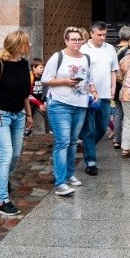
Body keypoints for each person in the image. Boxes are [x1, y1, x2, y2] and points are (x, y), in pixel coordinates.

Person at [0, 31, 34, 218]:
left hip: (19, 115)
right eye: (27, 43)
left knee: (16, 155)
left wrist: (28, 114)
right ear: (18, 46)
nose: (29, 46)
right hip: (1, 116)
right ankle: (2, 200)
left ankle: (3, 179)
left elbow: (25, 92)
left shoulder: (24, 64)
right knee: (6, 155)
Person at [42, 26, 96, 197]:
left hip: (80, 104)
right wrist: (65, 81)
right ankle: (60, 183)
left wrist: (93, 90)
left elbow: (89, 78)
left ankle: (69, 174)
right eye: (73, 39)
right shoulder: (58, 57)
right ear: (66, 41)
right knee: (63, 141)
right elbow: (45, 79)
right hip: (60, 104)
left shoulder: (86, 58)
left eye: (79, 39)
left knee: (73, 141)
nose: (77, 42)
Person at [80, 21, 119, 176]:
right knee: (88, 128)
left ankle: (87, 148)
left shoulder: (110, 49)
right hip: (88, 95)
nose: (102, 38)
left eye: (104, 35)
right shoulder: (83, 49)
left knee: (103, 127)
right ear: (91, 33)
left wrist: (113, 87)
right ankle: (91, 161)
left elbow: (113, 70)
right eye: (99, 35)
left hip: (104, 95)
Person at [111, 25, 130, 148]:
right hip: (126, 84)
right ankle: (127, 141)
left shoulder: (112, 49)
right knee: (129, 115)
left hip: (115, 84)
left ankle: (116, 139)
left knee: (118, 113)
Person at [28, 57, 48, 135]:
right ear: (34, 68)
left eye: (43, 67)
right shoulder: (30, 77)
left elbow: (47, 90)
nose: (42, 69)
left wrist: (45, 101)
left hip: (41, 100)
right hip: (31, 101)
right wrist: (39, 104)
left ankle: (48, 131)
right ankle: (28, 128)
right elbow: (28, 95)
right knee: (30, 108)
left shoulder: (44, 77)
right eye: (40, 67)